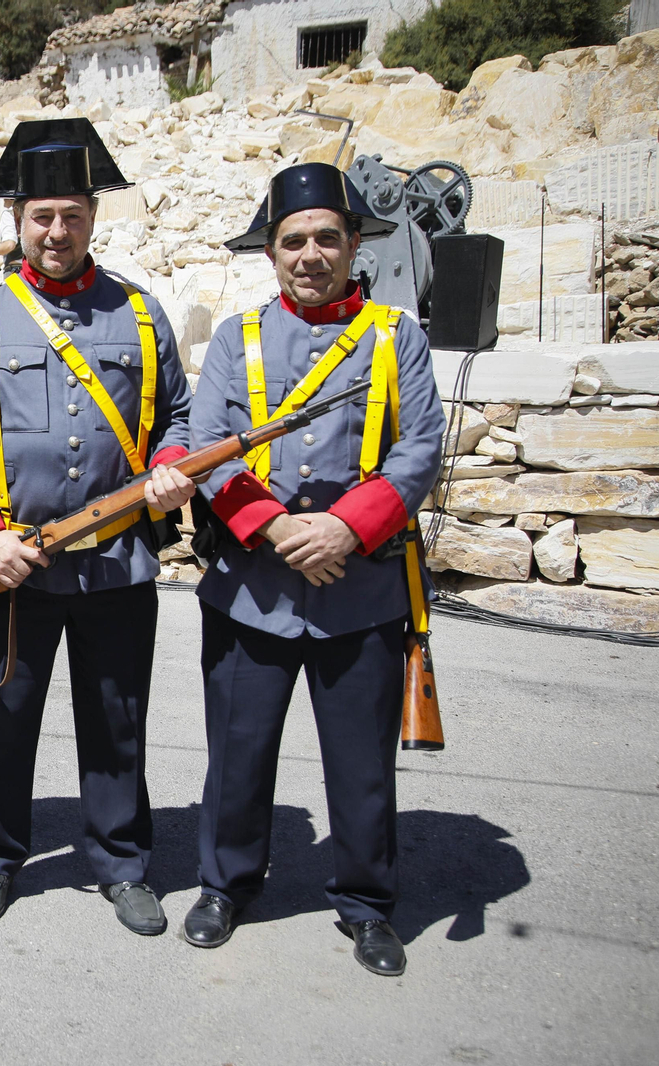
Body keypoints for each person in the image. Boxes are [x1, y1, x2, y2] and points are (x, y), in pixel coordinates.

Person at [0, 119, 195, 935]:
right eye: (41, 217)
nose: (56, 232)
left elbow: (177, 414)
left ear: (92, 219)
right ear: (16, 220)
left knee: (116, 717)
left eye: (71, 215)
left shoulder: (141, 314)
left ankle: (120, 861)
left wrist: (174, 464)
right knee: (2, 720)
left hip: (115, 565)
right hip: (12, 565)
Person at [182, 162, 444, 976]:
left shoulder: (397, 336)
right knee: (238, 753)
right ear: (271, 251)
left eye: (327, 237)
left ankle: (367, 904)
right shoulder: (237, 338)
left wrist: (343, 528)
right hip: (253, 587)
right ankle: (226, 883)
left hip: (358, 589)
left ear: (355, 244)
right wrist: (273, 526)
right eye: (293, 240)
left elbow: (419, 450)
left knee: (362, 765)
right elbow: (206, 449)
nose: (310, 254)